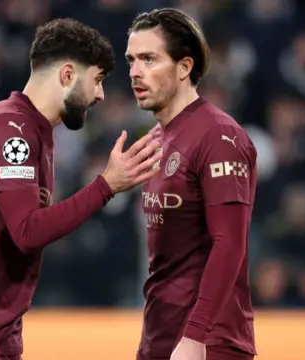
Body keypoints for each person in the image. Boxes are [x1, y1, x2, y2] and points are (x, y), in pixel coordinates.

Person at [0, 18, 162, 360]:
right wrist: (106, 186)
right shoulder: (11, 129)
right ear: (68, 75)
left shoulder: (30, 131)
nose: (100, 94)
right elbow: (26, 231)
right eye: (97, 80)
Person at [125, 8, 258, 360]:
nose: (135, 72)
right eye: (132, 61)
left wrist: (195, 336)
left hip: (208, 343)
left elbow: (230, 242)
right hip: (160, 338)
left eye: (149, 59)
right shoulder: (155, 139)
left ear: (185, 67)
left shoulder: (219, 135)